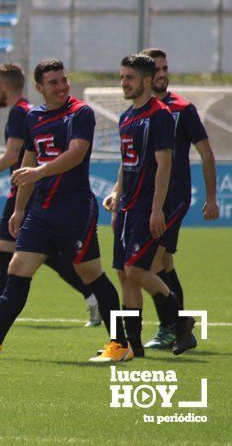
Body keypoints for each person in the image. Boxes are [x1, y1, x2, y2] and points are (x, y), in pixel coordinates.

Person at [0, 58, 131, 363]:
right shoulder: (33, 117)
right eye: (53, 82)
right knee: (17, 268)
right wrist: (19, 209)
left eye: (63, 80)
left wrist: (38, 173)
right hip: (41, 209)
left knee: (91, 273)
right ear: (39, 88)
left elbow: (75, 155)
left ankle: (121, 344)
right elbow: (27, 164)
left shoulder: (80, 113)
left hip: (74, 208)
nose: (61, 86)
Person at [0, 63, 100, 327]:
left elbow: (14, 156)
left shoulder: (23, 113)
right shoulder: (26, 112)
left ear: (3, 85)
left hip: (32, 186)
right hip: (27, 186)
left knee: (15, 252)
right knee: (26, 254)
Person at [103, 54, 195, 356]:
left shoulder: (160, 115)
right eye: (121, 77)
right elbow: (125, 162)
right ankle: (133, 345)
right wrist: (117, 194)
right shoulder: (126, 117)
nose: (123, 83)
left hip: (146, 207)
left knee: (137, 270)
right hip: (127, 207)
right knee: (124, 273)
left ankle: (183, 322)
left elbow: (164, 163)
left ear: (145, 80)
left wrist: (158, 209)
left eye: (128, 78)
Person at [137, 48, 216, 349]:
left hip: (174, 198)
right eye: (156, 69)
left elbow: (206, 153)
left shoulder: (182, 109)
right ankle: (176, 327)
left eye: (165, 68)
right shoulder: (141, 111)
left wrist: (211, 198)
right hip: (150, 198)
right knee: (164, 263)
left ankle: (174, 327)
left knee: (151, 264)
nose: (162, 73)